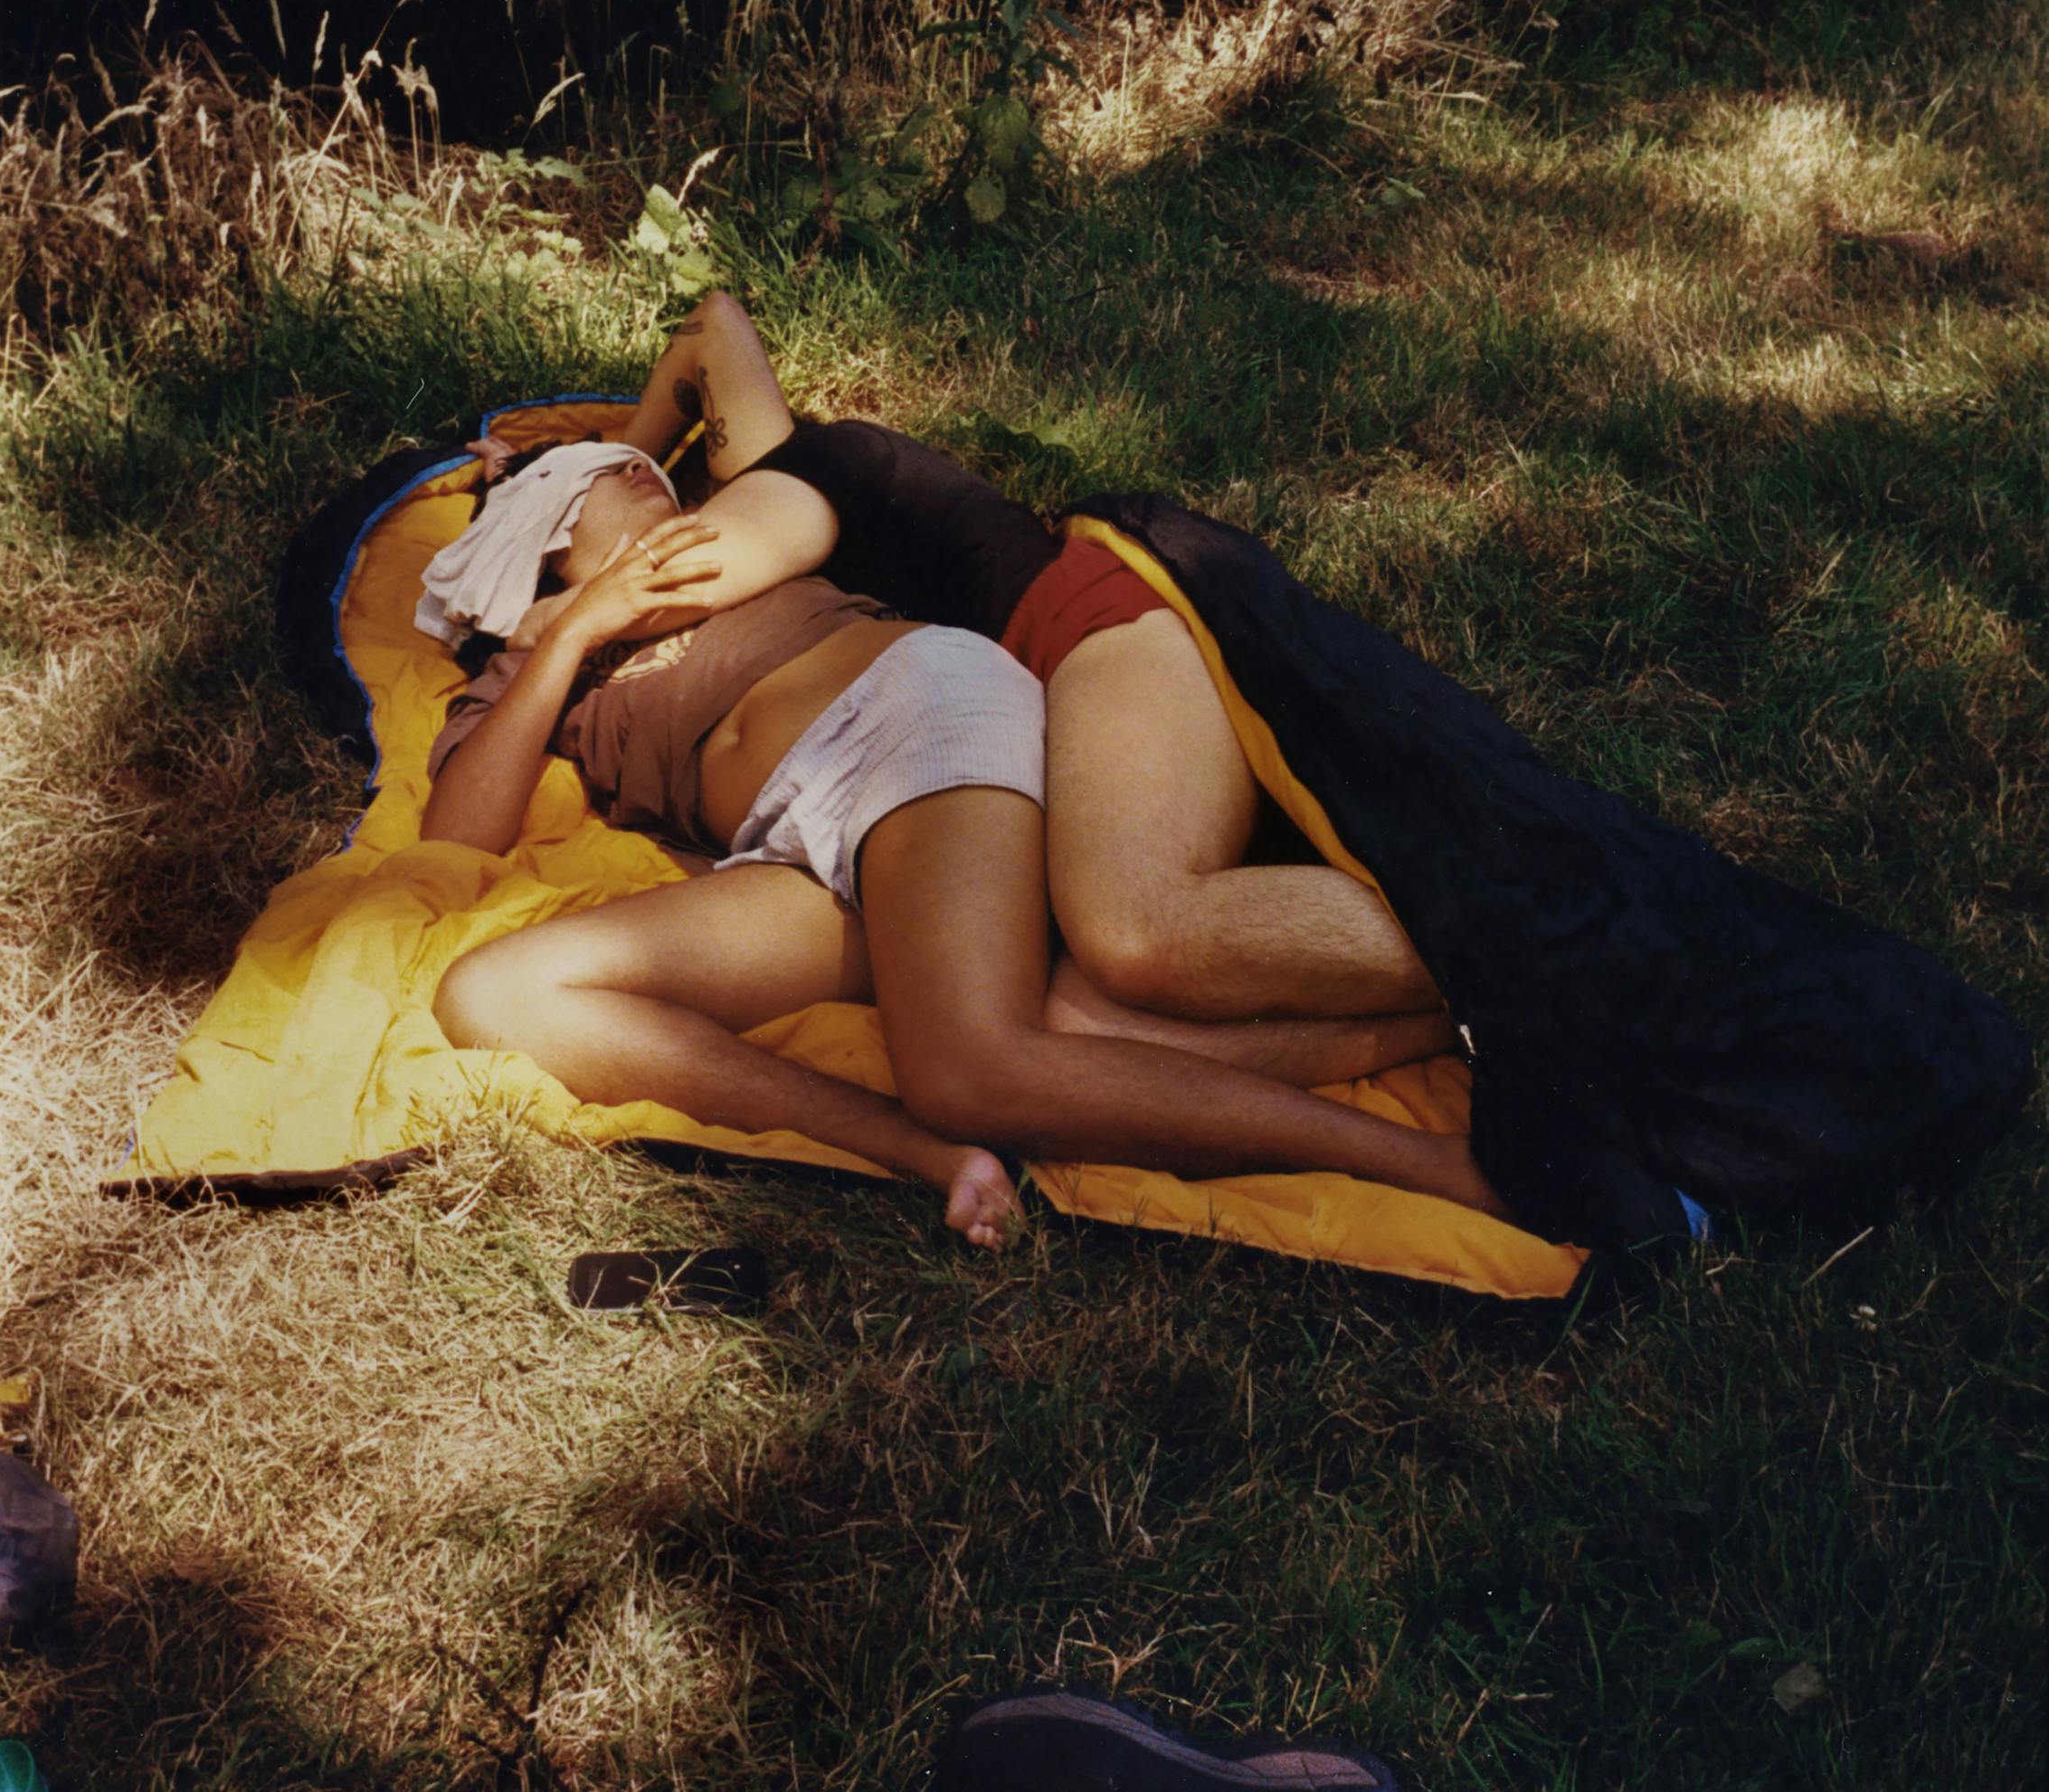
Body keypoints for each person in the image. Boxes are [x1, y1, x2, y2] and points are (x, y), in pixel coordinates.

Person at [420, 422, 1498, 1249]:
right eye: (608, 471)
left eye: (646, 464)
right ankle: (917, 1151)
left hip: (910, 714)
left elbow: (726, 358)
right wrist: (579, 633)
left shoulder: (727, 545)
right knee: (495, 993)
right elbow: (459, 833)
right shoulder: (529, 678)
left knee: (974, 1063)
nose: (647, 475)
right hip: (791, 847)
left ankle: (1420, 1162)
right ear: (539, 538)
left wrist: (639, 495)